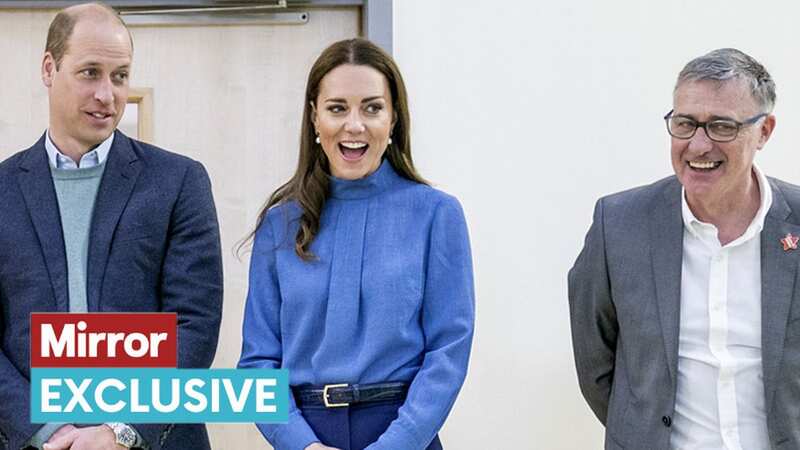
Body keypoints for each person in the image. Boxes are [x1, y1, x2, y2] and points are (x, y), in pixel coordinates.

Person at [0, 3, 223, 449]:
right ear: (49, 68)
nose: (108, 94)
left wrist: (121, 431)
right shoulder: (4, 190)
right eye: (90, 73)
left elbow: (194, 326)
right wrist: (48, 432)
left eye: (119, 76)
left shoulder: (179, 182)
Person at [238, 38, 475, 450]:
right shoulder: (279, 225)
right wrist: (300, 445)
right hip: (304, 433)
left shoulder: (436, 215)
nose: (354, 125)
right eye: (336, 108)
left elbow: (448, 353)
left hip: (403, 433)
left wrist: (396, 444)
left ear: (394, 118)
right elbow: (257, 365)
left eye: (372, 107)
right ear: (314, 118)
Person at [568, 48, 800, 449]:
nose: (698, 145)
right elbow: (595, 364)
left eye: (722, 127)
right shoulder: (619, 224)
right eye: (685, 123)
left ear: (764, 131)